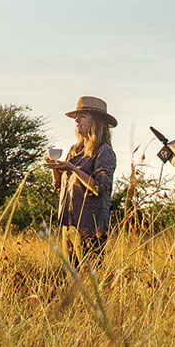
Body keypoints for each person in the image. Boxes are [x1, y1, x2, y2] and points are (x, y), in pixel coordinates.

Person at [45, 96, 117, 265]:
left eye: (82, 116)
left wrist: (73, 169)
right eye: (76, 117)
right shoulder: (75, 150)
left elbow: (101, 189)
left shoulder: (104, 152)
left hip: (91, 228)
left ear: (96, 122)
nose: (76, 120)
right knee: (73, 280)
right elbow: (58, 185)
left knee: (89, 279)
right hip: (69, 225)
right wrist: (54, 167)